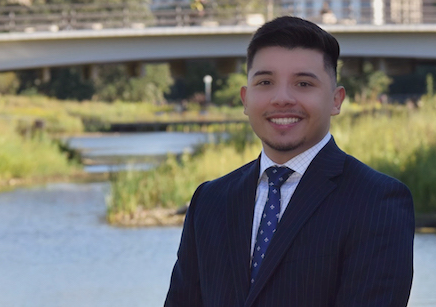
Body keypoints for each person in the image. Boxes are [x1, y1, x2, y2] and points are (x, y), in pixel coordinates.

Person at [164, 17, 414, 307]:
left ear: (336, 100)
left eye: (303, 83)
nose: (282, 98)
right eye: (265, 82)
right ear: (246, 99)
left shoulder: (378, 201)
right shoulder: (209, 200)